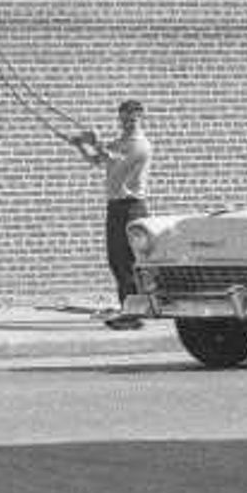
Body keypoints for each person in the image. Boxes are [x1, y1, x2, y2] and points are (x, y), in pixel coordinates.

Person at [70, 99, 151, 328]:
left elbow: (114, 161)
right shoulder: (119, 142)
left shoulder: (141, 145)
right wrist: (80, 145)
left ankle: (133, 314)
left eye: (132, 119)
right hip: (115, 207)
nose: (127, 123)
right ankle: (129, 309)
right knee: (116, 260)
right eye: (124, 118)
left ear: (140, 118)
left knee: (128, 261)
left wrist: (95, 142)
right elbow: (97, 160)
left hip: (132, 207)